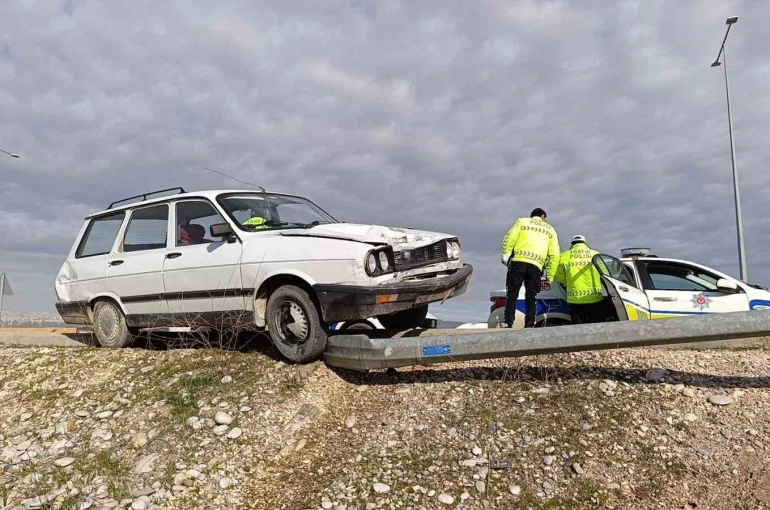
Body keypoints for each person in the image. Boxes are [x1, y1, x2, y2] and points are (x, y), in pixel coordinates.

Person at [500, 208, 560, 328]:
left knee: (512, 293)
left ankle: (508, 322)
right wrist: (550, 276)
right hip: (536, 266)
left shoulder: (522, 222)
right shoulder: (550, 229)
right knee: (531, 297)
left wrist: (505, 254)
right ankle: (529, 325)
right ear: (543, 216)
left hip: (518, 262)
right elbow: (555, 255)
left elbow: (509, 238)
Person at [555, 235, 607, 324]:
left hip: (575, 300)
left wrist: (567, 285)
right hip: (595, 298)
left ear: (572, 244)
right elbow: (605, 273)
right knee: (597, 325)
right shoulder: (595, 254)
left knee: (578, 327)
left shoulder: (564, 256)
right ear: (585, 243)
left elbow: (560, 277)